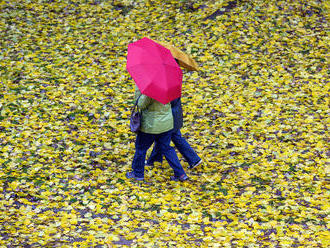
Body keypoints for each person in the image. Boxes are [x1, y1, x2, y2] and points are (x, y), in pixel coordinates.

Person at [126, 87, 189, 182]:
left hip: (151, 125)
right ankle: (180, 174)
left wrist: (139, 90)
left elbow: (140, 104)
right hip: (166, 124)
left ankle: (137, 173)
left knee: (141, 148)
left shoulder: (150, 89)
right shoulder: (168, 87)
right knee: (167, 148)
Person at [146, 97, 202, 169]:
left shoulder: (164, 91)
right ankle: (154, 160)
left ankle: (194, 159)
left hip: (169, 117)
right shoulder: (173, 87)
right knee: (164, 137)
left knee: (170, 138)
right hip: (174, 115)